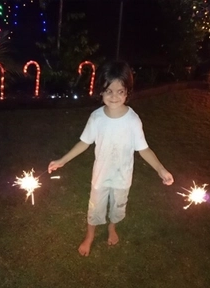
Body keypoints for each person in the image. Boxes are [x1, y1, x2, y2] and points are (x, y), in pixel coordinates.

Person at [48, 61, 174, 257]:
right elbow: (84, 142)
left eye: (120, 91)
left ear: (127, 92)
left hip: (123, 179)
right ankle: (89, 236)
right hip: (100, 177)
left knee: (117, 207)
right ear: (101, 92)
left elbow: (144, 149)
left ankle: (112, 227)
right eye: (109, 91)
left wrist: (160, 169)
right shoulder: (96, 118)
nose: (114, 96)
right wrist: (63, 160)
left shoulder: (133, 121)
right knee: (94, 208)